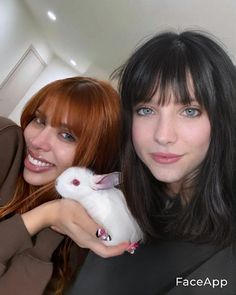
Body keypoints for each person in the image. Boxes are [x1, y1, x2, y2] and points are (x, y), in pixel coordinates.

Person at [67, 31, 236, 295]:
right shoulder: (110, 197)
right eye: (146, 110)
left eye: (190, 111)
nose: (163, 135)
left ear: (222, 119)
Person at [0, 77, 130, 295]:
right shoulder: (6, 146)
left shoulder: (83, 235)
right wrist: (45, 215)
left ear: (98, 158)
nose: (38, 142)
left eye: (67, 136)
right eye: (39, 120)